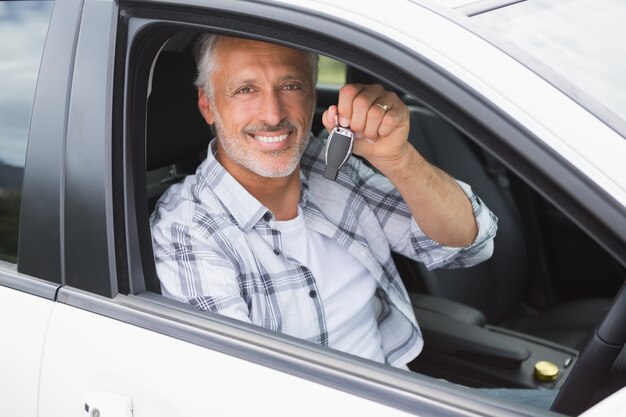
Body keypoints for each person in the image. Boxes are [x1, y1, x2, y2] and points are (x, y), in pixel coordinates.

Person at [150, 34, 498, 369]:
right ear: (207, 105)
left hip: (403, 388)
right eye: (246, 90)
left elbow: (466, 245)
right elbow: (241, 389)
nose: (272, 114)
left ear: (313, 96)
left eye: (291, 86)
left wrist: (399, 159)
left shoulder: (331, 168)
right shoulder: (187, 229)